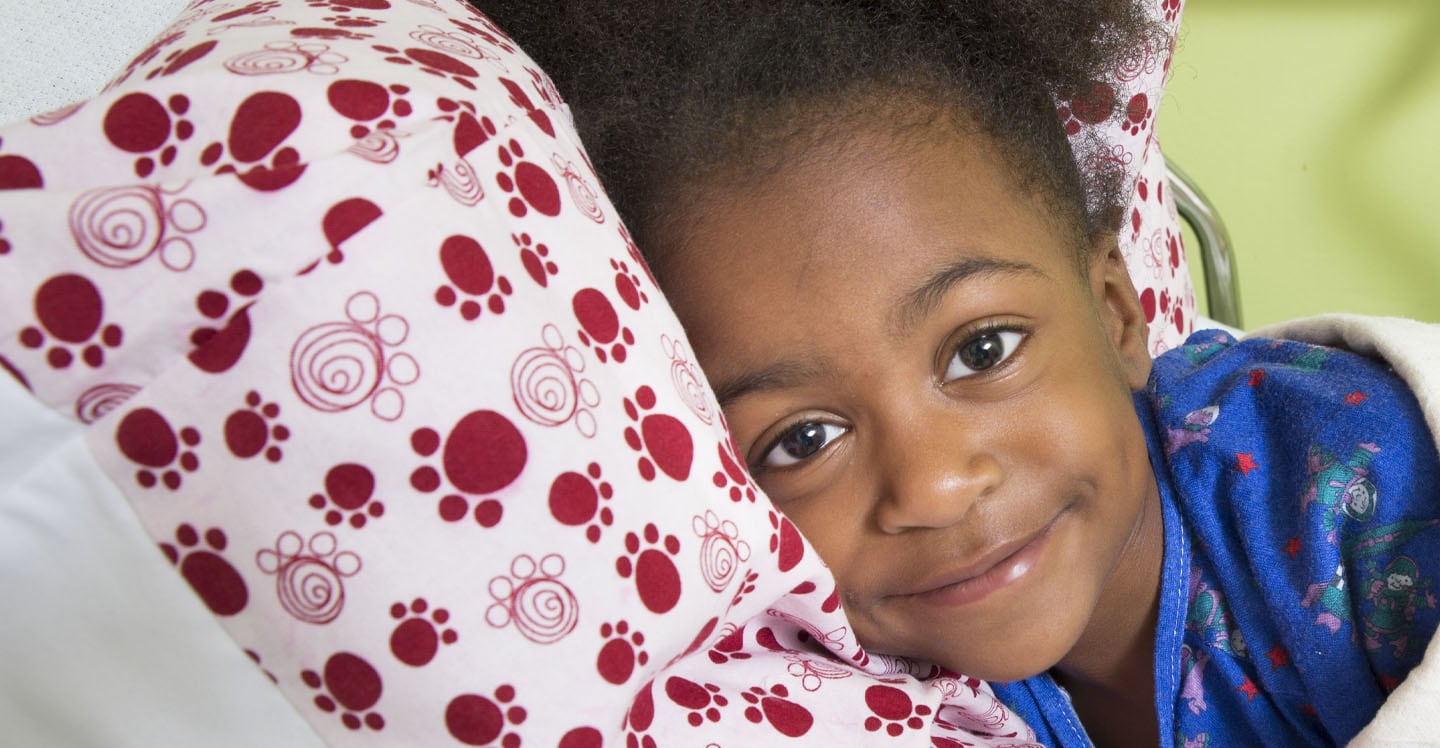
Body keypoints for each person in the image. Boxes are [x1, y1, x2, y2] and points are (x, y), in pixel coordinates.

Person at [478, 1, 1440, 744]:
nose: (933, 484)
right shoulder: (827, 678)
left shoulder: (1357, 493)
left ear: (1114, 312)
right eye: (802, 439)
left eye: (983, 351)